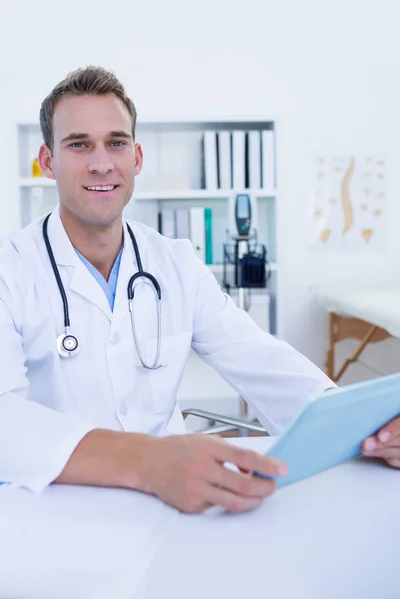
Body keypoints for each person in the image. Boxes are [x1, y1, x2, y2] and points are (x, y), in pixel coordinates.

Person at [0, 67, 397, 515]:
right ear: (48, 162)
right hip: (53, 507)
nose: (101, 163)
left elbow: (259, 358)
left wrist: (365, 430)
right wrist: (147, 461)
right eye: (78, 144)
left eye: (116, 142)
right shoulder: (11, 270)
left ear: (137, 157)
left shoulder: (176, 263)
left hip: (170, 505)